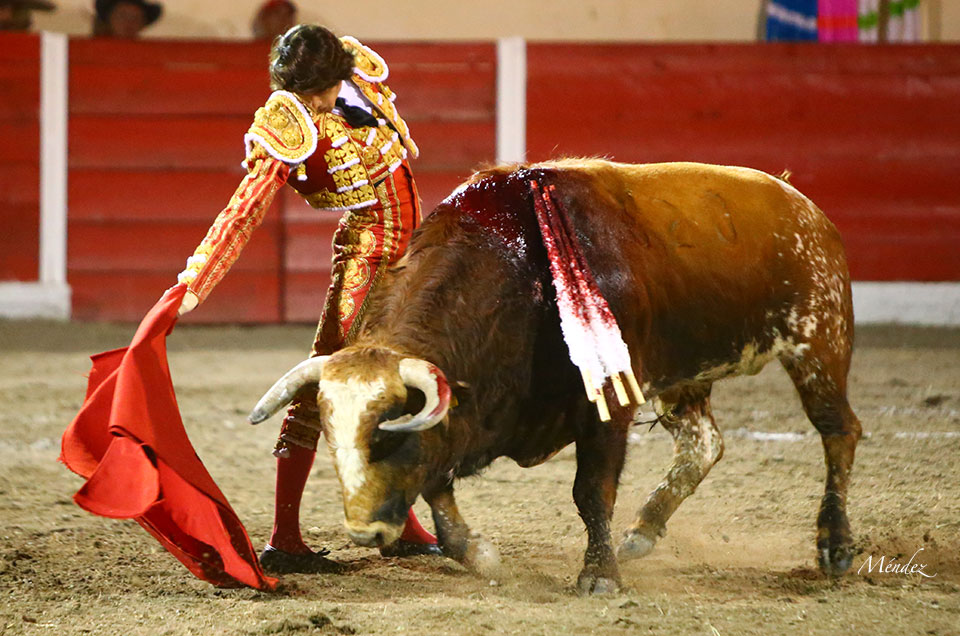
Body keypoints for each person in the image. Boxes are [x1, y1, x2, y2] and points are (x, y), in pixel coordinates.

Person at [175, 24, 438, 574]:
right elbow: (243, 209)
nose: (320, 101)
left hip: (408, 259)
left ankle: (401, 526)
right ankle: (285, 538)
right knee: (319, 387)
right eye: (310, 93)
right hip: (366, 262)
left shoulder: (355, 72)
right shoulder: (287, 121)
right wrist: (195, 281)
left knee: (403, 387)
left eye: (324, 87)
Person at [92, 0, 161, 38]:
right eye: (122, 16)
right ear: (109, 19)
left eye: (136, 18)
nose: (129, 22)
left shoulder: (148, 53)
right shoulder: (91, 51)